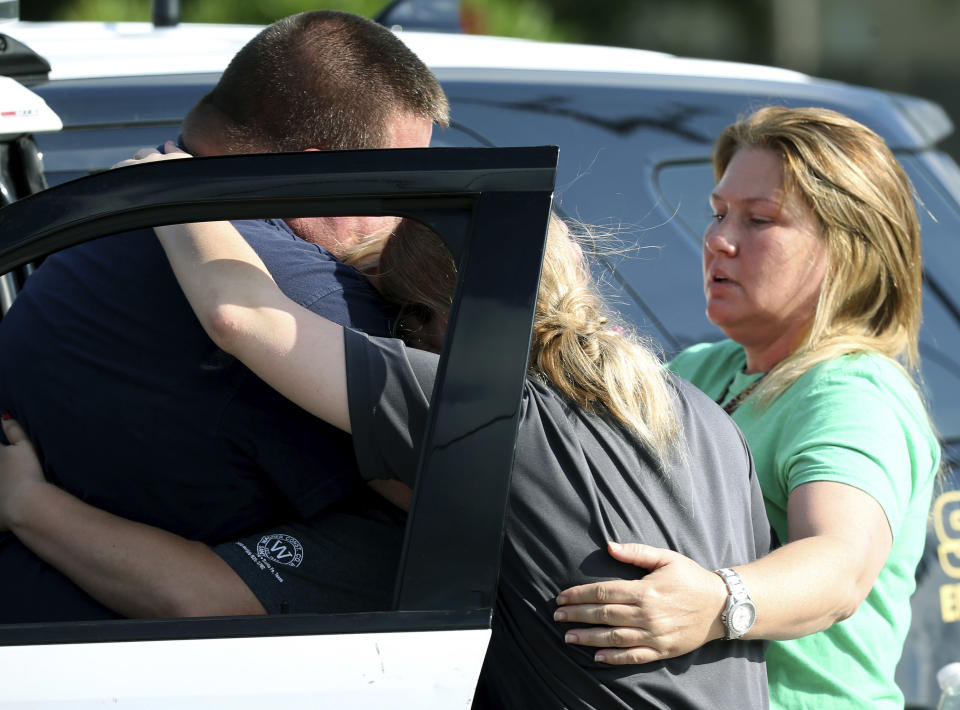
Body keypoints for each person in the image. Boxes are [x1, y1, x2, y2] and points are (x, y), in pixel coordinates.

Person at [2, 152, 771, 706]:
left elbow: (241, 318)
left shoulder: (484, 408)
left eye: (391, 324)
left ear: (433, 324)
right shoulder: (704, 416)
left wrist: (174, 189)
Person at [0, 10, 448, 622]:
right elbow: (477, 496)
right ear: (318, 173)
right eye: (398, 188)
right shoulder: (291, 292)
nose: (403, 222)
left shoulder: (105, 213)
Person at [553, 106, 941, 709]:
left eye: (760, 220)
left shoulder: (852, 392)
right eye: (718, 213)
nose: (717, 239)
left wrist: (716, 601)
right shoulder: (701, 370)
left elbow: (840, 568)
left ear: (850, 248)